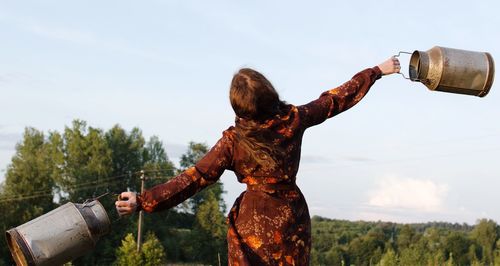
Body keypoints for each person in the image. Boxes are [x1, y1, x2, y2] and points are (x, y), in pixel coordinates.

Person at [116, 57, 401, 265]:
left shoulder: (233, 141)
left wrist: (143, 200)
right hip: (292, 218)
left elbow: (193, 178)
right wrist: (376, 71)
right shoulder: (294, 119)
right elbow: (336, 100)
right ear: (269, 93)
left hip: (253, 225)